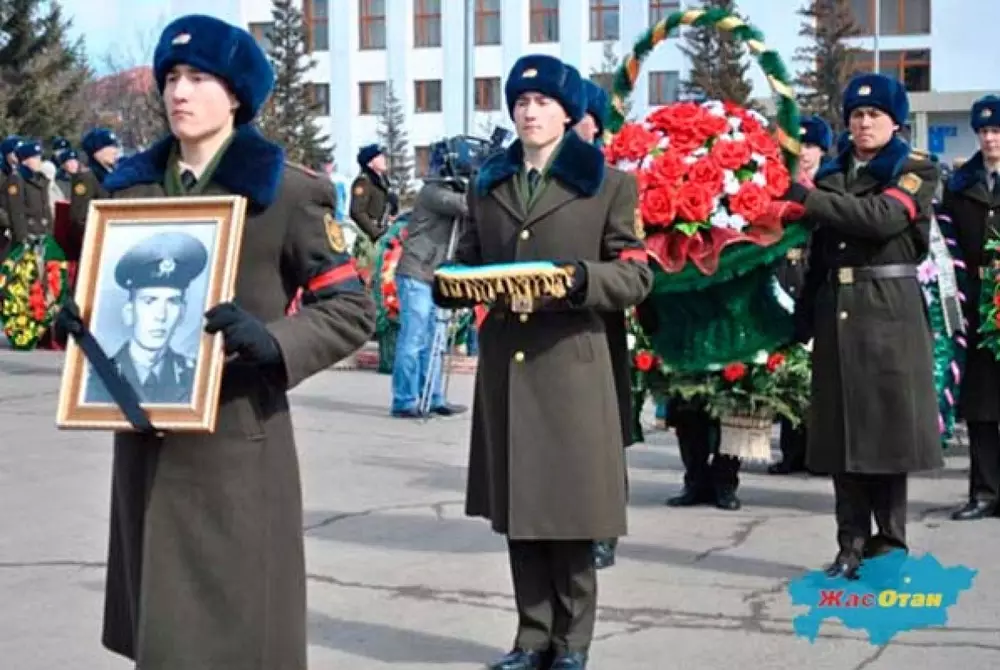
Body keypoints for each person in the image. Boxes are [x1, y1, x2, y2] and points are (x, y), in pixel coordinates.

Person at [81, 14, 375, 668]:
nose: (179, 92)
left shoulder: (285, 192)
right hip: (146, 442)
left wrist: (274, 341)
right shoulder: (131, 189)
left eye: (199, 77)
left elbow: (352, 308)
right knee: (163, 638)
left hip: (238, 441)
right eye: (171, 78)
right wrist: (84, 325)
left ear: (236, 94)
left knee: (238, 635)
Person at [434, 53, 652, 670]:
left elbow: (636, 275)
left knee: (572, 510)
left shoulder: (608, 184)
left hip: (573, 364)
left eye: (543, 102)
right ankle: (532, 638)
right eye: (521, 103)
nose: (530, 112)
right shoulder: (489, 184)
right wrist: (451, 283)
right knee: (521, 509)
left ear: (567, 112)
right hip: (509, 365)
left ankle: (572, 643)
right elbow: (469, 260)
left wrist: (580, 280)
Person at [783, 73, 943, 579]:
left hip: (889, 309)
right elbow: (819, 254)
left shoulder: (914, 168)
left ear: (896, 121)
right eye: (856, 114)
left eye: (874, 114)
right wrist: (800, 321)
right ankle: (849, 545)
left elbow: (880, 218)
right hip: (837, 307)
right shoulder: (833, 174)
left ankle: (889, 545)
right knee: (842, 435)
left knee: (886, 433)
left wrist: (807, 198)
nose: (864, 122)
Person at [574, 77, 636, 570]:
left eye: (577, 116)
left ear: (594, 125)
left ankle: (603, 528)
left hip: (598, 320)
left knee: (603, 431)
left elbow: (628, 261)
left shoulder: (611, 181)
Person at [940, 94, 1000, 521]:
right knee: (981, 406)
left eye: (997, 131)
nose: (991, 139)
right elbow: (948, 247)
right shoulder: (961, 185)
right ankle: (984, 490)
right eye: (984, 131)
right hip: (978, 304)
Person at [769, 114, 833, 476]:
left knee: (818, 373)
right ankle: (791, 450)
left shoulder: (832, 186)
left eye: (810, 146)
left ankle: (819, 450)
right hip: (784, 282)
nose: (804, 154)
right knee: (788, 370)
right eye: (798, 147)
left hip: (817, 279)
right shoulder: (776, 188)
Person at [390, 137, 471, 418]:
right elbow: (466, 206)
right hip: (417, 272)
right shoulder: (433, 192)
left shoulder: (450, 191)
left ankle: (433, 396)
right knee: (414, 338)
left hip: (436, 274)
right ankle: (404, 400)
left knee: (435, 339)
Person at [84, 232, 208, 405]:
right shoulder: (95, 378)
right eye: (149, 301)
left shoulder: (196, 376)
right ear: (129, 313)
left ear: (182, 313)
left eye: (172, 302)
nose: (161, 315)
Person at [69, 127, 120, 241]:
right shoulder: (86, 178)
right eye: (110, 147)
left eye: (115, 146)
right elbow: (79, 218)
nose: (115, 151)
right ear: (97, 151)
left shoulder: (111, 174)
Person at [0, 139, 54, 244]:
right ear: (24, 160)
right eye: (35, 158)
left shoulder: (40, 178)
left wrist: (49, 231)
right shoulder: (16, 179)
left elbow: (45, 207)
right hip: (28, 233)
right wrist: (22, 237)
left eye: (39, 157)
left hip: (42, 231)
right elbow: (16, 211)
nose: (39, 161)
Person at [349, 143, 397, 241]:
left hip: (386, 233)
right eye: (379, 157)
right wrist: (376, 233)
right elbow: (357, 212)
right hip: (370, 238)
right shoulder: (363, 182)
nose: (383, 159)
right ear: (370, 163)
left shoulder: (383, 180)